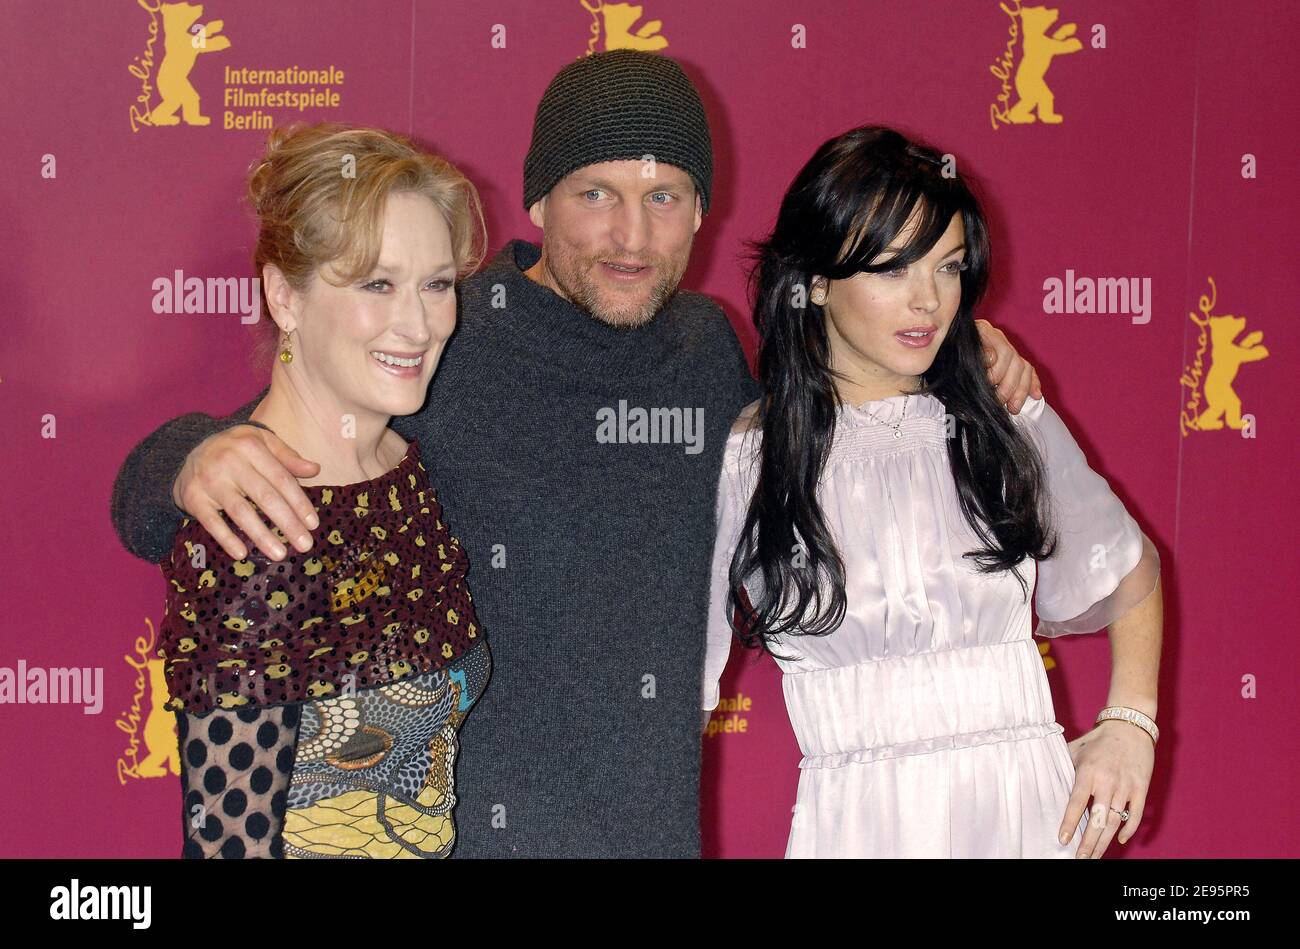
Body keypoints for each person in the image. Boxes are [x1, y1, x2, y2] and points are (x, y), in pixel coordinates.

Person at [113, 51, 1038, 858]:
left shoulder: (706, 349)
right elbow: (197, 478)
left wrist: (957, 363)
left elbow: (819, 445)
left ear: (701, 212)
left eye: (663, 197)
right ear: (538, 197)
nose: (631, 235)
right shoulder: (443, 330)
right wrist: (188, 457)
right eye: (597, 193)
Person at [703, 125, 1163, 858]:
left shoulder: (1001, 419)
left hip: (1028, 827)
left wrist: (1130, 724)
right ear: (815, 279)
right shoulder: (749, 461)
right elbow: (682, 693)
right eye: (893, 269)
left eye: (947, 268)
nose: (927, 302)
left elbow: (1129, 567)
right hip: (855, 832)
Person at [155, 123, 491, 857]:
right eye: (376, 283)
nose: (418, 322)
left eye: (436, 284)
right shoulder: (258, 523)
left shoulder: (405, 469)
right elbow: (230, 844)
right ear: (285, 295)